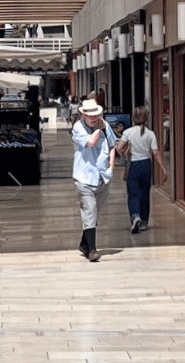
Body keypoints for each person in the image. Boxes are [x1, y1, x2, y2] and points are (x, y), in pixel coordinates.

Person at [71, 97, 117, 262]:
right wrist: (99, 129)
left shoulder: (105, 126)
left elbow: (113, 145)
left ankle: (84, 243)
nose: (94, 118)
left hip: (102, 177)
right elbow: (90, 142)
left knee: (94, 214)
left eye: (96, 115)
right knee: (90, 210)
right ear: (82, 115)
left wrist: (111, 164)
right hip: (84, 177)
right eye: (90, 115)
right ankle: (92, 250)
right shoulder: (78, 127)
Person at [116, 105, 168, 233]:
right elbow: (155, 152)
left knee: (133, 193)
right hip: (146, 165)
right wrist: (163, 168)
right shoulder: (150, 134)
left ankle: (135, 216)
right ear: (146, 118)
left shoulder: (128, 132)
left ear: (134, 118)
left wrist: (124, 153)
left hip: (133, 165)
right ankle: (144, 222)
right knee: (145, 194)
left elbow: (119, 148)